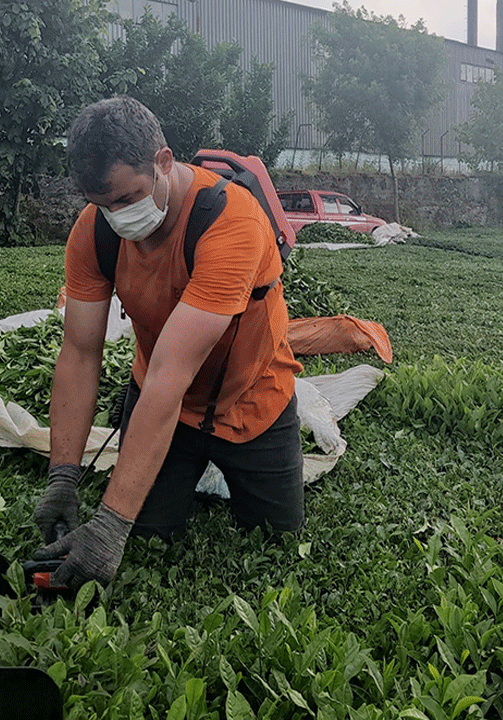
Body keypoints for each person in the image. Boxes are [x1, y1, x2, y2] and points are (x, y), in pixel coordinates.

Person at [30, 96, 304, 588]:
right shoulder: (94, 233)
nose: (117, 216)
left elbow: (171, 374)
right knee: (148, 533)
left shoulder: (232, 222)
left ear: (162, 161)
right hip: (164, 406)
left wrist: (107, 528)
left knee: (276, 537)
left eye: (127, 198)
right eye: (101, 204)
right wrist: (63, 475)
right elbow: (80, 353)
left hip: (252, 399)